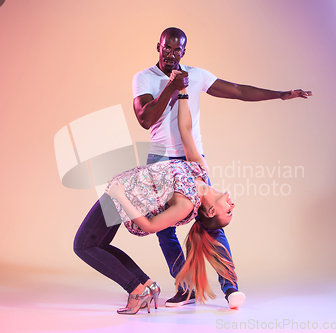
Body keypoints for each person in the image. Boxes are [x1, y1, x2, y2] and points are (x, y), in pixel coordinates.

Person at [132, 27, 312, 308]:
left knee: (211, 221)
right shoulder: (144, 78)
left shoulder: (198, 75)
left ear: (183, 52)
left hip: (191, 160)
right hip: (160, 163)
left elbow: (238, 91)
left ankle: (230, 288)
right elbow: (146, 119)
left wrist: (281, 94)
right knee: (165, 230)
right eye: (166, 48)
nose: (170, 55)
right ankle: (187, 287)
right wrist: (173, 86)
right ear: (158, 46)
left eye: (177, 50)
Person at [73, 75, 237, 315]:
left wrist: (120, 196)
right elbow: (185, 130)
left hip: (123, 197)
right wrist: (182, 93)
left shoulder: (187, 203)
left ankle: (136, 289)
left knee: (83, 245)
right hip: (124, 188)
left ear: (211, 211)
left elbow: (150, 226)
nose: (233, 204)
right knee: (97, 244)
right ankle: (146, 285)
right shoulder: (200, 171)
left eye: (229, 211)